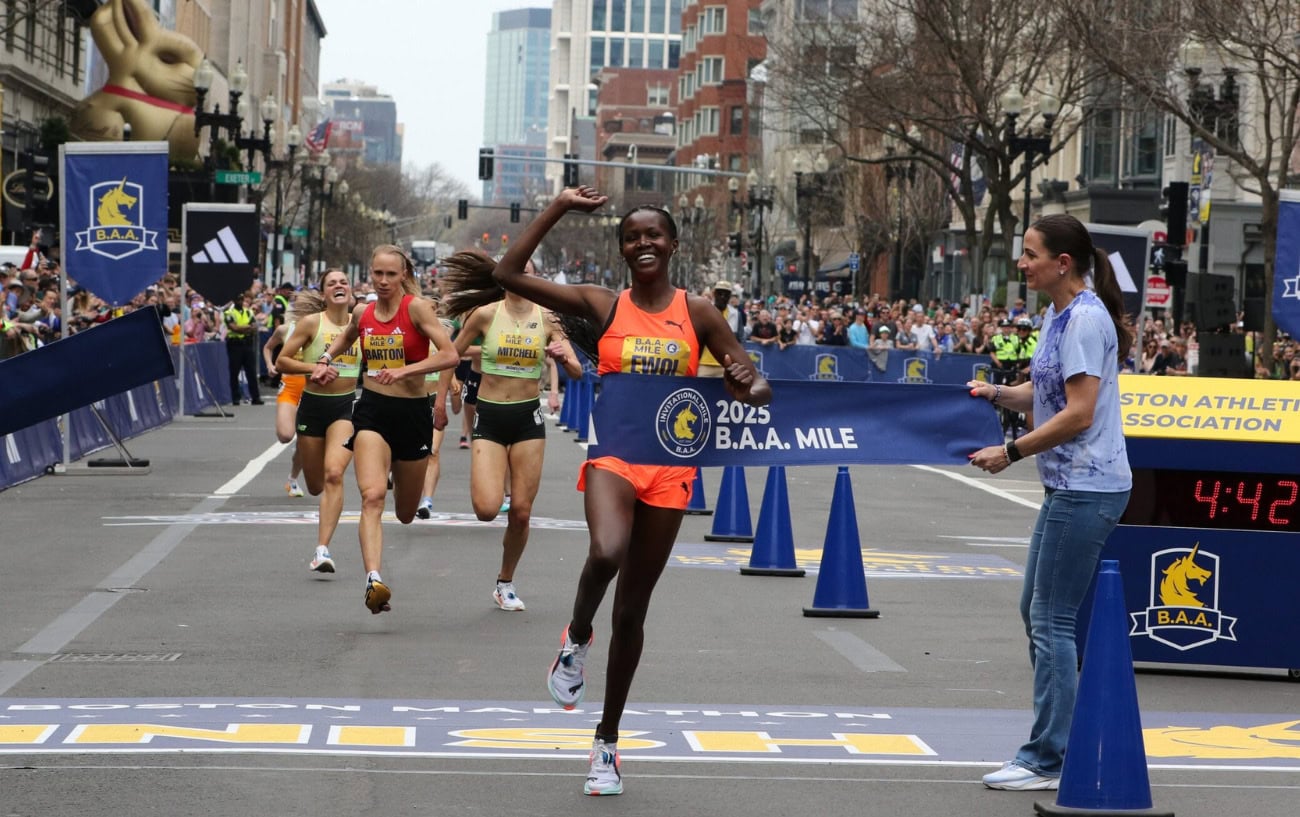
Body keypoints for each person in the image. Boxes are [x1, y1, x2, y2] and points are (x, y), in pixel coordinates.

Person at [490, 187, 769, 796]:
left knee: (633, 612)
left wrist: (745, 382)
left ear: (673, 244)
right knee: (606, 552)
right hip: (614, 455)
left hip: (671, 467)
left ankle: (607, 744)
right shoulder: (603, 304)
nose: (644, 243)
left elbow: (756, 385)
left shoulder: (699, 312)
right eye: (632, 237)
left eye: (654, 235)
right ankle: (576, 638)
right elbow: (506, 273)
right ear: (622, 249)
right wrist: (560, 206)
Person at [967, 213, 1133, 791]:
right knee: (1035, 613)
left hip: (1088, 486)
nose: (1022, 263)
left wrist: (1010, 451)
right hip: (1068, 486)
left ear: (1063, 264)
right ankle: (1062, 740)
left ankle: (1048, 756)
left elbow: (1079, 414)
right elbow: (1043, 395)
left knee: (1051, 619)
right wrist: (994, 392)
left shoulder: (1084, 320)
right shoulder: (1057, 315)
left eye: (1030, 254)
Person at [310, 246, 459, 614]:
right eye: (378, 273)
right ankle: (373, 580)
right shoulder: (363, 311)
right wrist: (325, 358)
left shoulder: (416, 309)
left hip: (413, 414)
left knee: (405, 512)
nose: (383, 281)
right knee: (373, 497)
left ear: (403, 274)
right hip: (373, 411)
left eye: (391, 274)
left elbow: (449, 355)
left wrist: (406, 371)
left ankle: (398, 475)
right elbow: (348, 336)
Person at [437, 255, 584, 611]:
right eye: (513, 273)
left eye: (526, 273)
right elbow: (450, 356)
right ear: (502, 279)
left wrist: (563, 357)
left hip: (527, 419)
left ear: (534, 279)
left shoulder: (547, 318)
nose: (519, 278)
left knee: (520, 511)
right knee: (487, 509)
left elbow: (578, 371)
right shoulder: (485, 314)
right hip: (489, 416)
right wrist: (441, 400)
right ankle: (487, 485)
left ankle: (505, 582)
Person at [276, 270, 361, 574]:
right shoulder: (312, 323)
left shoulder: (361, 323)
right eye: (332, 283)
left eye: (343, 282)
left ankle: (322, 550)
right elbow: (282, 361)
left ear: (350, 291)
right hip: (313, 408)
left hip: (345, 407)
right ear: (324, 293)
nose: (339, 286)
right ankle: (306, 465)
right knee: (315, 486)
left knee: (334, 474)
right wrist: (314, 368)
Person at [262, 316, 307, 497]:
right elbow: (268, 347)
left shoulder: (323, 327)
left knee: (304, 442)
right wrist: (269, 365)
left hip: (313, 387)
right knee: (285, 435)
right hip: (290, 385)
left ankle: (292, 480)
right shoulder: (285, 329)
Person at [223, 291, 263, 405]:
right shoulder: (229, 313)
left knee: (251, 372)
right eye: (238, 300)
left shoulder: (248, 312)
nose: (240, 301)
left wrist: (243, 328)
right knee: (234, 372)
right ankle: (235, 398)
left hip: (247, 344)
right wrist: (247, 328)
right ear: (234, 301)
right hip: (235, 345)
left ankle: (255, 397)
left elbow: (255, 327)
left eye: (242, 299)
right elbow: (234, 328)